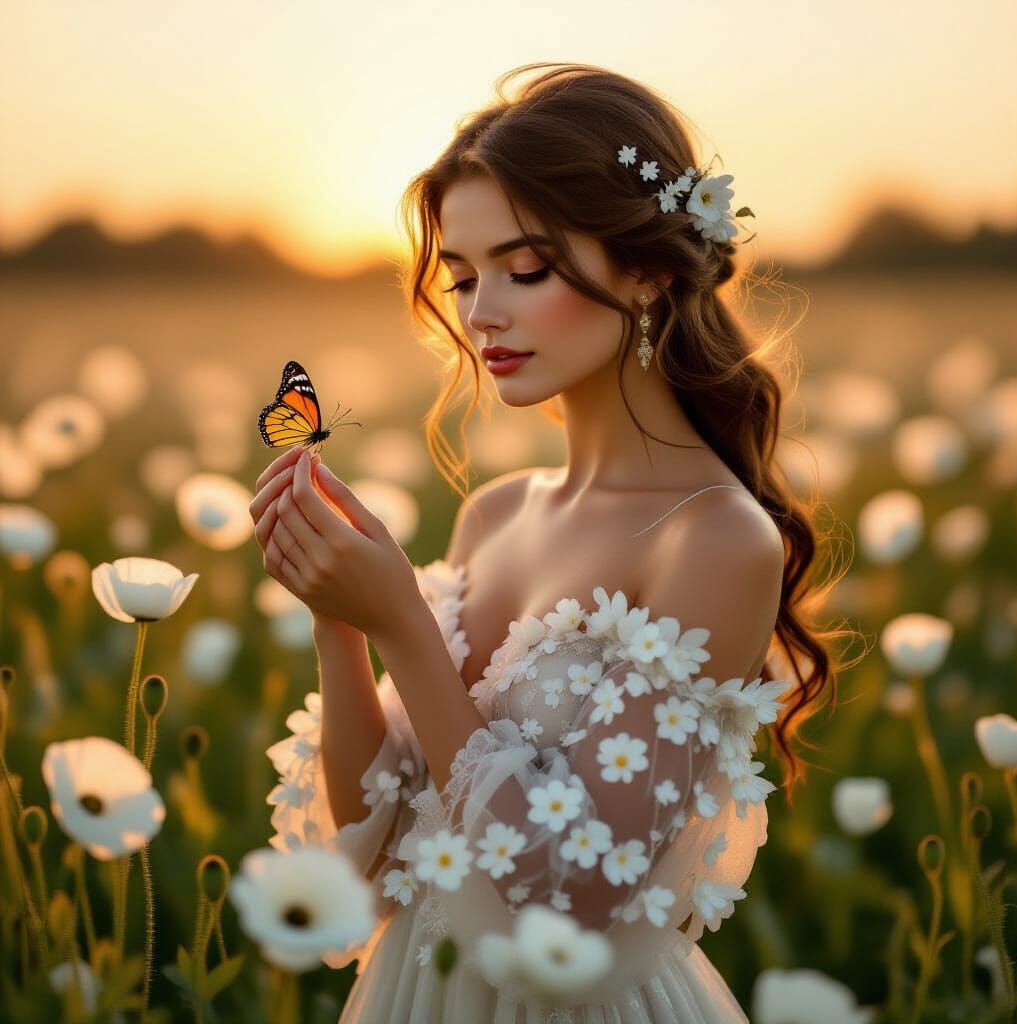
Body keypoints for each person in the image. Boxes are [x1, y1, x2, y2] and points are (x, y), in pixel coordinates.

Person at [251, 62, 850, 1024]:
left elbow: (574, 890)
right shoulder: (495, 512)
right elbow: (370, 855)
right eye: (464, 276)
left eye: (525, 270)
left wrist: (403, 620)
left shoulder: (713, 538)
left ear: (649, 269)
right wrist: (340, 620)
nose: (483, 311)